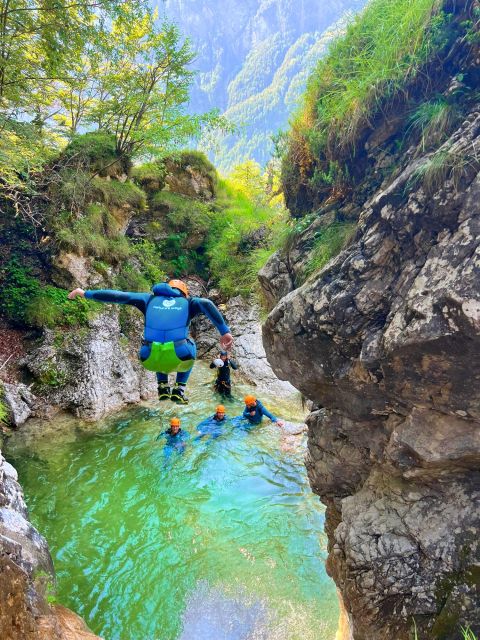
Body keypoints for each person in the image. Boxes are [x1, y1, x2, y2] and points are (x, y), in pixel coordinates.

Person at [68, 279, 233, 404]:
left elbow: (117, 296)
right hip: (181, 354)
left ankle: (162, 386)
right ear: (184, 293)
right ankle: (179, 389)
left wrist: (85, 293)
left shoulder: (148, 299)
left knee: (157, 347)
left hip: (148, 358)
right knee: (190, 344)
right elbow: (206, 303)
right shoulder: (189, 303)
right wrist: (224, 332)